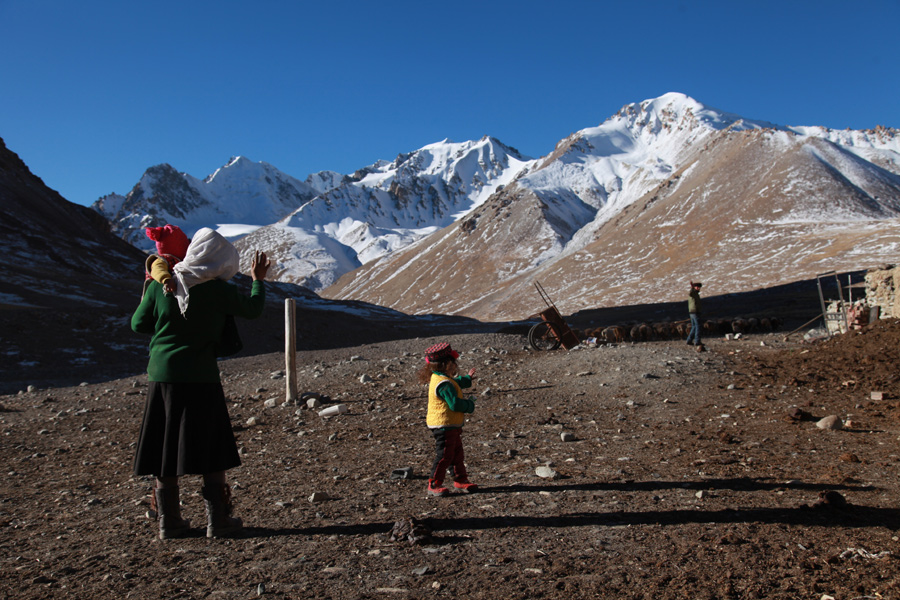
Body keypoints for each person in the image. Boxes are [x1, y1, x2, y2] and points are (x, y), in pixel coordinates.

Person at [131, 227, 270, 539]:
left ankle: (169, 521)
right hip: (201, 375)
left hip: (163, 375)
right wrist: (258, 280)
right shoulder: (219, 291)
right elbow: (253, 309)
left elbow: (138, 324)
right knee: (210, 442)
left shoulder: (161, 285)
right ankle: (217, 520)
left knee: (165, 446)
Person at [417, 342, 479, 496]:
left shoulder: (439, 378)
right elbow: (455, 404)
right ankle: (434, 483)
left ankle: (461, 480)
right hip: (444, 424)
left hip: (449, 424)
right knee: (445, 455)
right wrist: (469, 405)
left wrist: (467, 379)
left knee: (456, 453)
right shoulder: (444, 383)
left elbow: (454, 383)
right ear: (448, 363)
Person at [143, 224, 191, 295]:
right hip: (158, 295)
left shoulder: (178, 260)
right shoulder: (162, 260)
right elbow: (157, 269)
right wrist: (166, 280)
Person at [686, 280, 703, 346]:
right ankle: (697, 341)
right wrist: (692, 287)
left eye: (699, 287)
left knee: (694, 326)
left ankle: (689, 340)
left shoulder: (695, 294)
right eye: (697, 287)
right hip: (695, 312)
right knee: (698, 326)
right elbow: (691, 292)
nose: (698, 288)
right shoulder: (693, 293)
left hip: (693, 312)